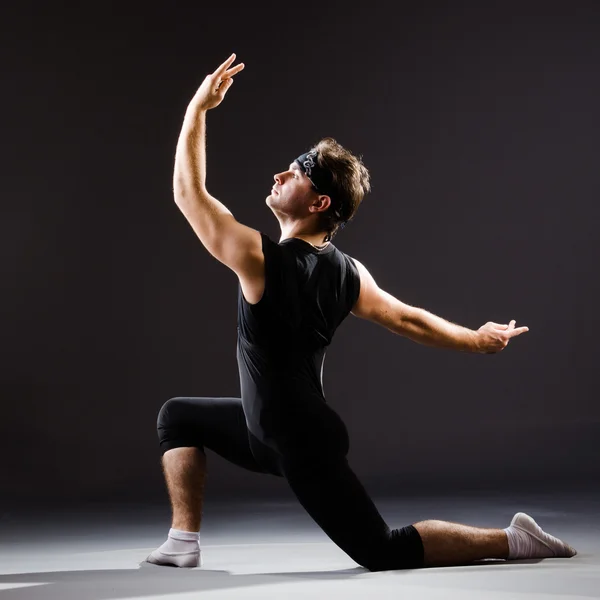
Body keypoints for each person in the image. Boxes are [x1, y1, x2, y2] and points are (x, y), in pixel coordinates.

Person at [146, 54, 576, 570]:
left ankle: (513, 539)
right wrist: (476, 338)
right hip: (268, 433)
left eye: (298, 172)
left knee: (383, 551)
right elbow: (408, 319)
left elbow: (188, 194)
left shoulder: (265, 261)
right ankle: (183, 543)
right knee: (178, 417)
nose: (281, 174)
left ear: (320, 203)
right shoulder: (349, 273)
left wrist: (198, 108)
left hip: (301, 438)